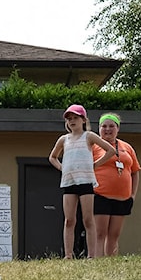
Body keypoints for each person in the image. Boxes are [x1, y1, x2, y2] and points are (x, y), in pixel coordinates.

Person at [48, 104, 117, 259]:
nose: (72, 121)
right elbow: (52, 157)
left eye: (75, 118)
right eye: (69, 119)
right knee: (69, 220)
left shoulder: (89, 136)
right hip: (69, 182)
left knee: (88, 219)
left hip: (85, 181)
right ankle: (68, 254)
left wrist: (95, 165)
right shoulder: (63, 139)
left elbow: (110, 150)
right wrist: (62, 168)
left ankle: (91, 255)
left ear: (83, 120)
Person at [92, 113, 140, 257]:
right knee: (100, 233)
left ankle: (111, 263)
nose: (108, 129)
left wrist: (132, 195)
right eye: (104, 126)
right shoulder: (93, 146)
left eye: (111, 126)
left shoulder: (127, 147)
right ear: (99, 129)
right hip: (100, 195)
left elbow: (135, 172)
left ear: (117, 128)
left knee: (114, 235)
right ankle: (98, 263)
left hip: (122, 198)